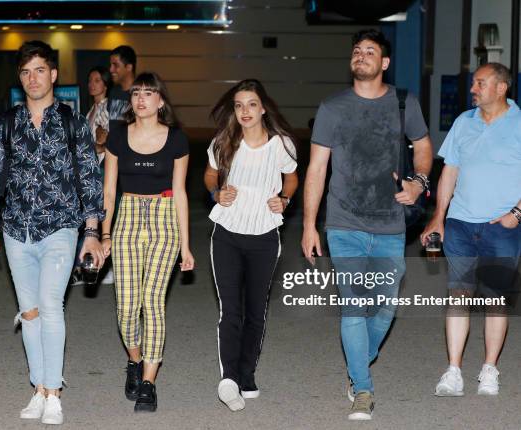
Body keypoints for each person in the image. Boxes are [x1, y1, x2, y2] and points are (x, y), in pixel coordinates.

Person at [301, 29, 432, 420]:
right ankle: (363, 388)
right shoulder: (331, 107)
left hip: (391, 223)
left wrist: (419, 182)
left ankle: (358, 363)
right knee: (354, 308)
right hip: (344, 223)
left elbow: (423, 147)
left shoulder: (404, 104)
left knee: (385, 310)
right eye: (357, 51)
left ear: (384, 63)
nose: (361, 56)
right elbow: (317, 169)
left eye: (370, 51)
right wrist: (309, 224)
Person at [0, 41, 105, 425]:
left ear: (53, 74)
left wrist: (93, 231)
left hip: (60, 228)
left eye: (40, 70)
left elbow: (89, 176)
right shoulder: (7, 123)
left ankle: (54, 392)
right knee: (29, 312)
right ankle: (38, 388)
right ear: (20, 79)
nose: (33, 78)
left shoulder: (72, 121)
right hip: (16, 229)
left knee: (51, 305)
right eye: (25, 71)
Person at [421, 62, 521, 397]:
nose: (473, 88)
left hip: (502, 227)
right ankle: (453, 370)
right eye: (474, 82)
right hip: (461, 224)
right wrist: (438, 216)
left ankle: (489, 369)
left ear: (502, 87)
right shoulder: (464, 122)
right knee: (458, 295)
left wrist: (517, 214)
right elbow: (449, 171)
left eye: (480, 82)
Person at [101, 71, 194, 412]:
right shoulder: (117, 136)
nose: (141, 98)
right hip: (126, 218)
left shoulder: (177, 140)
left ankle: (149, 382)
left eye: (149, 93)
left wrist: (186, 245)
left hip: (164, 217)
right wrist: (104, 233)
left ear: (160, 101)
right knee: (126, 307)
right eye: (136, 93)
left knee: (152, 302)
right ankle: (134, 361)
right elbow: (109, 191)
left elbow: (182, 193)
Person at [204, 79, 298, 412]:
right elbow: (210, 175)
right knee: (231, 310)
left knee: (255, 311)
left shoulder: (281, 144)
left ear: (263, 108)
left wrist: (284, 199)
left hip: (264, 235)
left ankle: (246, 374)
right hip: (227, 232)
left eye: (251, 104)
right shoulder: (223, 141)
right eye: (239, 105)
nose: (245, 111)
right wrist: (217, 193)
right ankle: (228, 378)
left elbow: (291, 176)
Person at [70, 66, 113, 287]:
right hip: (91, 170)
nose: (92, 84)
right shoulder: (92, 110)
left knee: (96, 217)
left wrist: (87, 148)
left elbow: (105, 142)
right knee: (89, 217)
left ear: (106, 84)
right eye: (90, 80)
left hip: (102, 169)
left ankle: (94, 266)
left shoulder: (106, 110)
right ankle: (88, 265)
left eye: (97, 80)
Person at [108, 45, 136, 124]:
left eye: (115, 65)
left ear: (129, 67)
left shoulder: (141, 94)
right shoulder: (114, 92)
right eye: (111, 65)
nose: (111, 69)